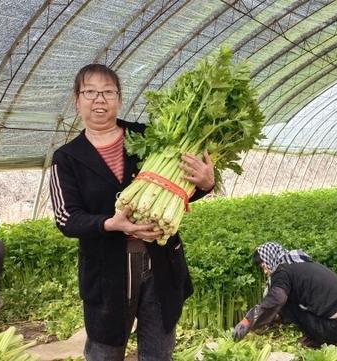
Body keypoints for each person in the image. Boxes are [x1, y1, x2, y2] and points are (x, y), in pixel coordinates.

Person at [49, 63, 214, 361]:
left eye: (108, 92)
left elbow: (180, 188)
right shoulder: (67, 158)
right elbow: (66, 218)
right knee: (104, 351)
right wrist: (110, 223)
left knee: (158, 351)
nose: (99, 100)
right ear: (77, 100)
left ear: (120, 99)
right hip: (108, 270)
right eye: (90, 92)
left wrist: (205, 184)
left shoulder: (148, 138)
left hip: (160, 260)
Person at [233, 242, 337, 348]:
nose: (265, 271)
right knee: (289, 299)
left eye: (263, 265)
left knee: (288, 304)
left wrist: (248, 320)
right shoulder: (297, 262)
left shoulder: (282, 271)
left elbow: (276, 299)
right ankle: (278, 320)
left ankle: (318, 339)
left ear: (270, 258)